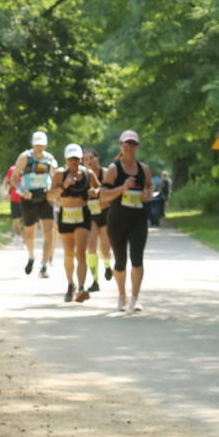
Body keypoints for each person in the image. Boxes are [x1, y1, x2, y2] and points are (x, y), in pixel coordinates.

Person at [100, 130, 153, 313]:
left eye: (133, 144)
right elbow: (103, 195)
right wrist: (123, 188)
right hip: (117, 220)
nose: (130, 147)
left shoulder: (143, 168)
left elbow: (149, 187)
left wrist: (148, 195)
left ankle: (135, 298)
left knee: (137, 258)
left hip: (138, 219)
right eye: (126, 143)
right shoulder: (114, 169)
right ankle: (122, 295)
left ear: (137, 146)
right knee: (120, 260)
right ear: (121, 146)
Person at [47, 144, 98, 303]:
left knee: (81, 252)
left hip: (82, 214)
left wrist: (94, 192)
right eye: (71, 159)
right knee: (69, 252)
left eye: (76, 158)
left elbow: (100, 189)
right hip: (66, 214)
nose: (74, 162)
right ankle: (71, 284)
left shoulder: (88, 174)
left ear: (81, 159)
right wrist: (64, 186)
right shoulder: (60, 174)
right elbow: (50, 196)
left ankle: (82, 288)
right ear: (66, 160)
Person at [12, 131, 58, 278]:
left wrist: (54, 195)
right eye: (37, 144)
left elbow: (55, 177)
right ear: (32, 144)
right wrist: (22, 190)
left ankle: (44, 265)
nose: (39, 147)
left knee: (48, 232)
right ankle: (31, 256)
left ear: (46, 144)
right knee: (30, 233)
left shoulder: (50, 159)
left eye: (42, 144)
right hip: (28, 197)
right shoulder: (25, 158)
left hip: (45, 197)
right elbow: (13, 179)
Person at [84, 148, 112, 292]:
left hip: (106, 214)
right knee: (91, 247)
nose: (89, 161)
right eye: (86, 159)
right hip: (90, 215)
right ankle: (95, 280)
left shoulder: (106, 173)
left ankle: (107, 265)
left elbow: (112, 194)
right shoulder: (82, 175)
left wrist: (99, 195)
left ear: (97, 159)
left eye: (91, 158)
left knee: (105, 249)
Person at [3, 165, 22, 238]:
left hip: (27, 199)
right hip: (15, 198)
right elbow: (6, 180)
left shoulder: (29, 169)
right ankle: (18, 235)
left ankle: (26, 240)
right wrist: (5, 191)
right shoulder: (12, 169)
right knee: (16, 219)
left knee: (28, 222)